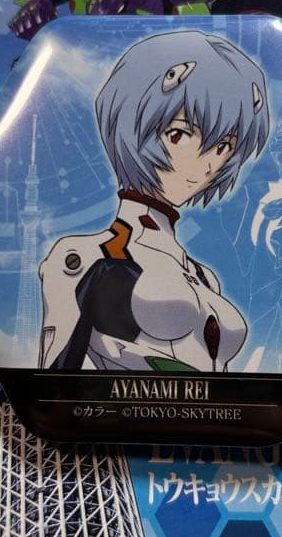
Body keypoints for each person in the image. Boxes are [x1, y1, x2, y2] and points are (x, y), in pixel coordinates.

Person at [38, 30, 269, 373]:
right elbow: (52, 382)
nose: (207, 164)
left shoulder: (204, 276)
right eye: (181, 134)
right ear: (132, 125)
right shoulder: (85, 257)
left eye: (224, 147)